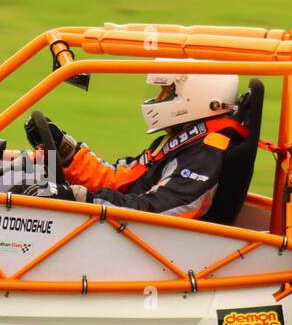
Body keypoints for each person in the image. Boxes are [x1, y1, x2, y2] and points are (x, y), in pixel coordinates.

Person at [15, 65, 249, 219]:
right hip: (124, 237)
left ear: (194, 96)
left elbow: (159, 211)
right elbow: (120, 180)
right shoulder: (180, 141)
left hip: (148, 251)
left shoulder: (204, 153)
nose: (157, 100)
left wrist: (82, 198)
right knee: (20, 178)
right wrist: (68, 152)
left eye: (165, 93)